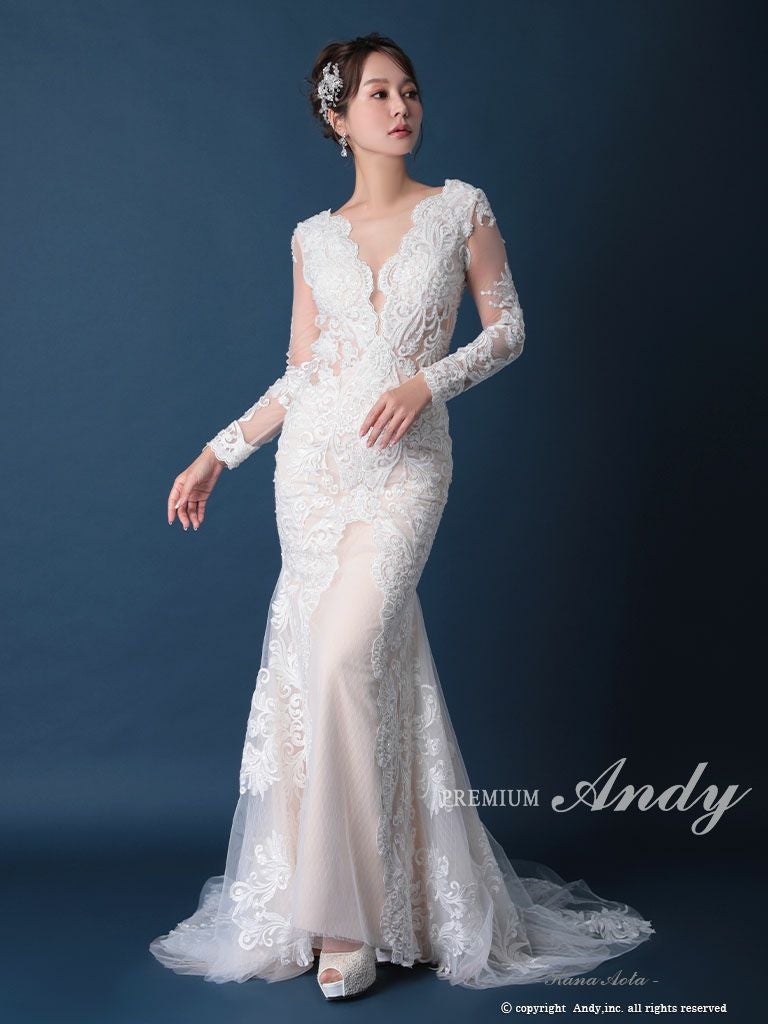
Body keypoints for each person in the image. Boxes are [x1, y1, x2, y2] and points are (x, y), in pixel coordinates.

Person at [150, 32, 654, 1001]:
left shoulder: (461, 208)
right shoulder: (311, 237)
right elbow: (301, 372)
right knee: (339, 668)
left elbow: (509, 329)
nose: (401, 107)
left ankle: (349, 920)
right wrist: (217, 453)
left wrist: (428, 382)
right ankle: (381, 897)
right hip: (312, 476)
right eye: (378, 93)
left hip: (406, 470)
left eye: (409, 90)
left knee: (345, 655)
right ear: (338, 119)